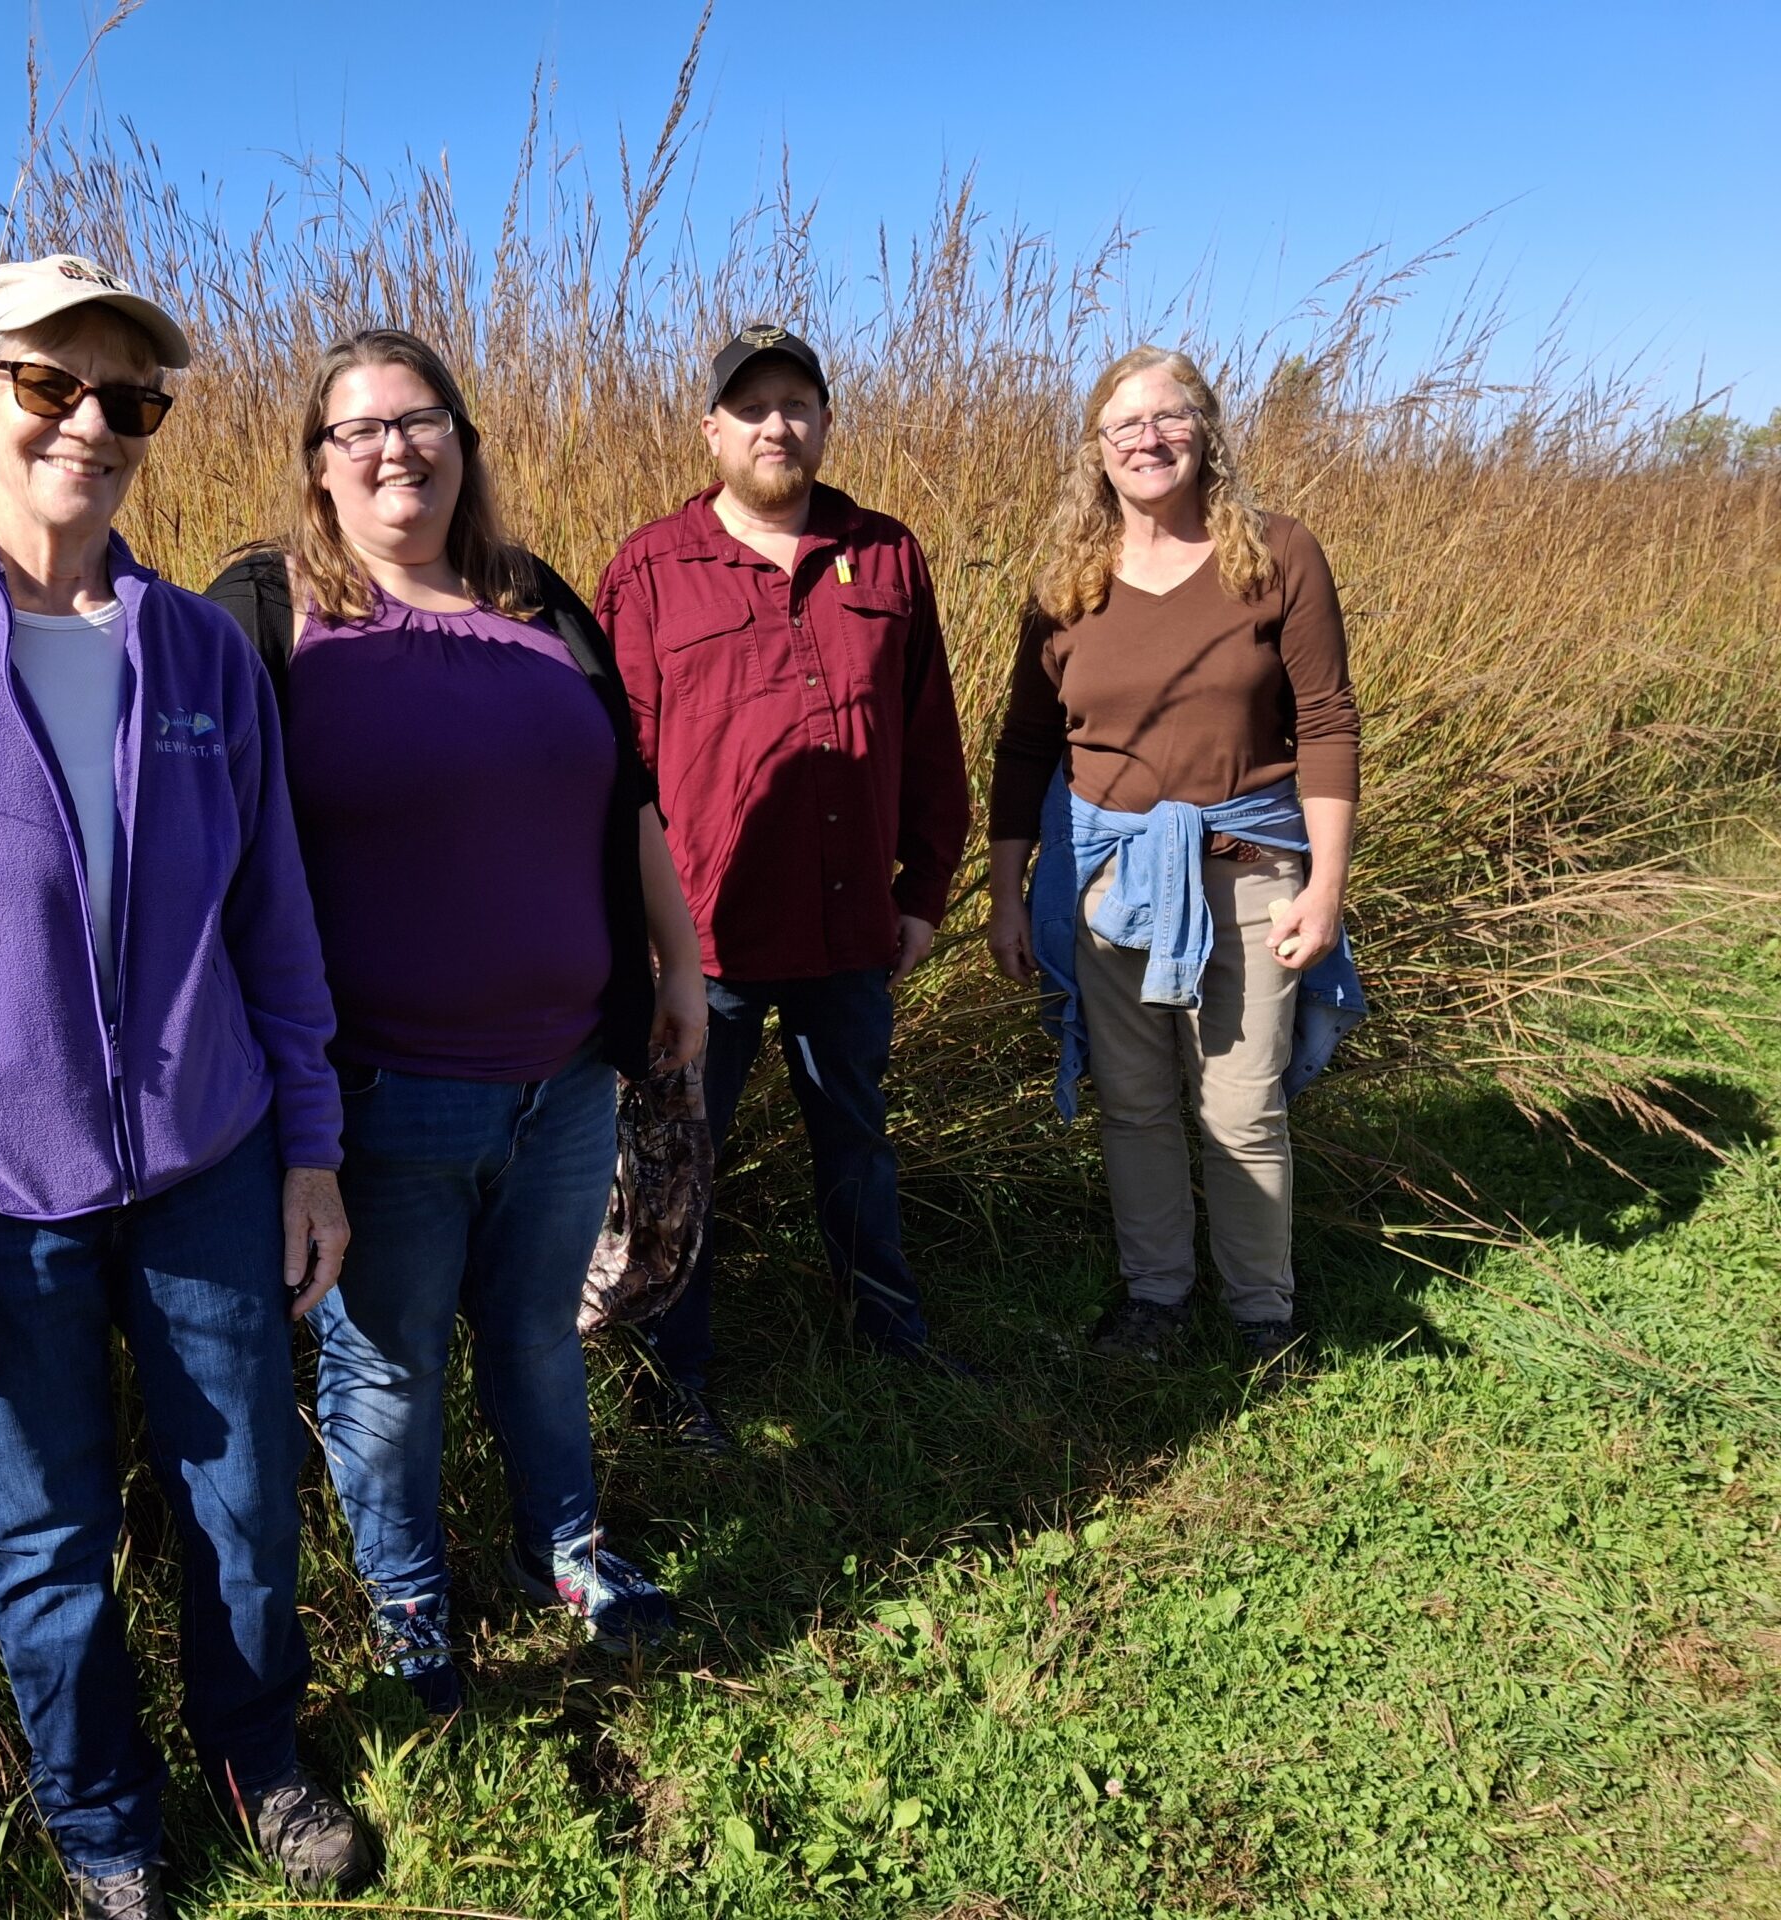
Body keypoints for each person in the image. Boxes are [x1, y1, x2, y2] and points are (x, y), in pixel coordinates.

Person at [0, 255, 372, 1919]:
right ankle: (107, 1826)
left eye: (129, 399)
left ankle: (259, 1752)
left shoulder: (195, 654)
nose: (89, 423)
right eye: (48, 385)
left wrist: (307, 1152)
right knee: (48, 1555)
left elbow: (276, 917)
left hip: (208, 1161)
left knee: (243, 1505)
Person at [206, 327, 707, 1713]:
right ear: (317, 464)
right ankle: (410, 1599)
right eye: (357, 429)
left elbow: (634, 800)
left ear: (463, 443)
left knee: (542, 1329)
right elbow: (202, 836)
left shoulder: (536, 599)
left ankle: (570, 1549)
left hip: (566, 1069)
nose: (393, 450)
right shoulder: (271, 610)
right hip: (379, 1089)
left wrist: (676, 967)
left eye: (419, 420)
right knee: (389, 1361)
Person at [593, 324, 972, 1451]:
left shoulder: (886, 554)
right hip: (700, 944)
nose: (774, 425)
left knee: (856, 1139)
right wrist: (641, 940)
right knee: (678, 1165)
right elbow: (616, 773)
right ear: (710, 428)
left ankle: (888, 1334)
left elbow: (929, 736)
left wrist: (923, 892)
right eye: (748, 406)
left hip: (852, 924)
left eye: (795, 403)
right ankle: (676, 1385)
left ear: (822, 420)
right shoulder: (651, 569)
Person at [986, 344, 1365, 1368]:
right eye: (1124, 426)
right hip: (1106, 885)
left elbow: (1326, 722)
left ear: (1205, 431)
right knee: (1137, 1105)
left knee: (1241, 1105)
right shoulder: (1064, 581)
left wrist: (1324, 887)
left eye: (1168, 419)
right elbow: (1025, 745)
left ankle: (1259, 1316)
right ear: (1095, 452)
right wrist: (1007, 892)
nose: (1147, 440)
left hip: (1251, 874)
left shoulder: (1276, 553)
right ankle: (1154, 1299)